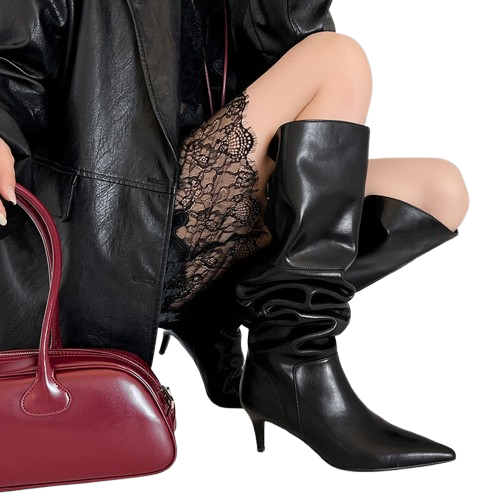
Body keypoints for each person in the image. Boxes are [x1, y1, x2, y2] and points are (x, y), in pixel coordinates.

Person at [1, 0, 469, 473]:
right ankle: (295, 362)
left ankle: (234, 324)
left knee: (439, 191)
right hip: (107, 231)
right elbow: (13, 57)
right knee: (337, 59)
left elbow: (307, 88)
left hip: (212, 227)